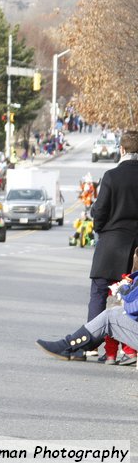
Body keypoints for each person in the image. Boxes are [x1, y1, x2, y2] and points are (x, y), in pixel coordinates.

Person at [86, 130, 138, 329]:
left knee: (99, 292)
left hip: (111, 243)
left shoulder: (111, 176)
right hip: (136, 250)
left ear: (122, 149)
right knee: (132, 295)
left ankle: (91, 342)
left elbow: (99, 211)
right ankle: (129, 348)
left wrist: (101, 230)